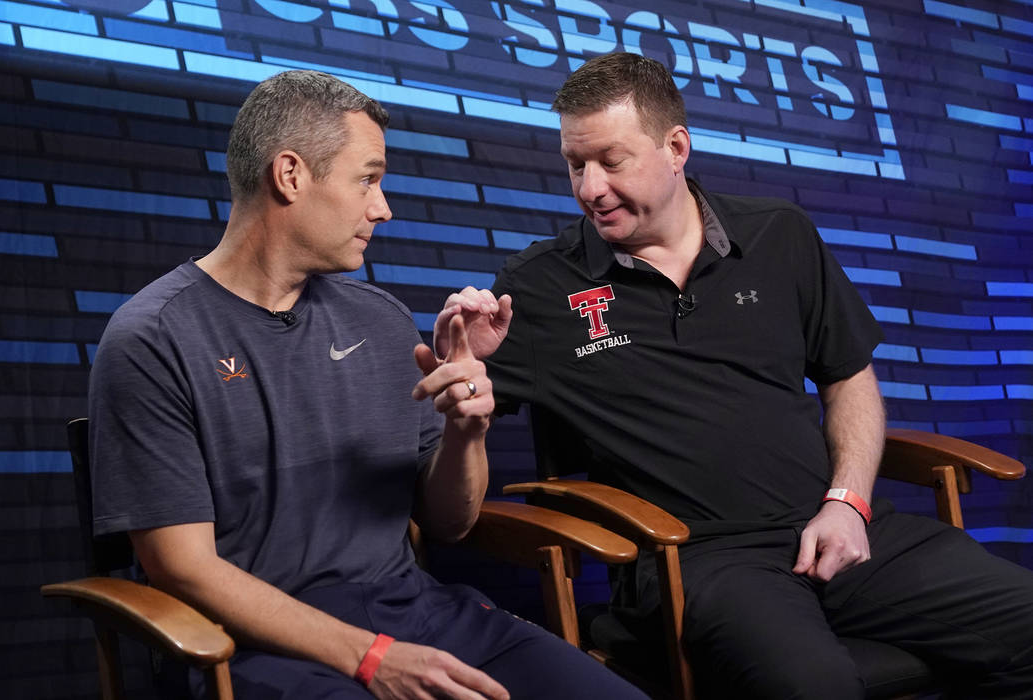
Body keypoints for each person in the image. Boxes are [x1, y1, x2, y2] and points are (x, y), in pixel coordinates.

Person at [435, 53, 1033, 698]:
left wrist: (848, 502)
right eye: (575, 164)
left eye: (611, 161)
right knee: (814, 686)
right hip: (697, 561)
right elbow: (449, 459)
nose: (589, 188)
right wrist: (466, 376)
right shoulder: (537, 287)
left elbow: (848, 377)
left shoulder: (779, 234)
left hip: (836, 527)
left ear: (676, 148)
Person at [88, 69, 650, 700]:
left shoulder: (379, 319)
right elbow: (181, 568)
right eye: (368, 179)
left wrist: (467, 428)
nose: (383, 206)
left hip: (415, 612)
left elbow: (448, 525)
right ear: (291, 174)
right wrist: (373, 658)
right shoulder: (152, 337)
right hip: (254, 647)